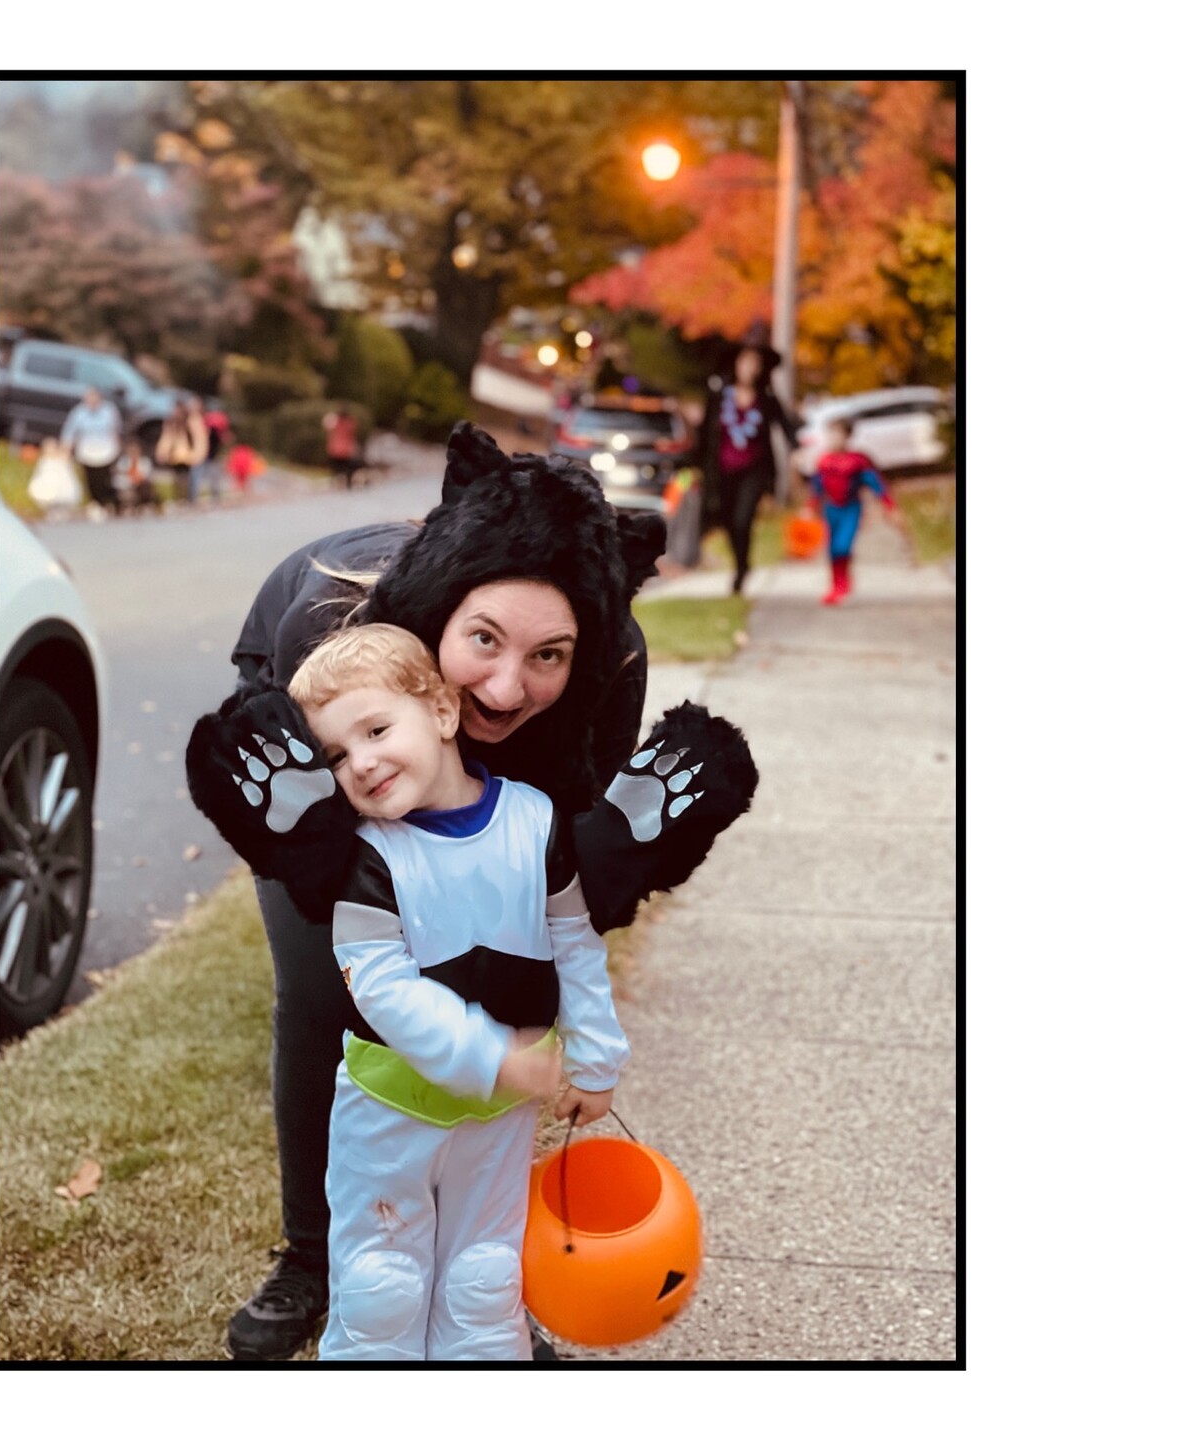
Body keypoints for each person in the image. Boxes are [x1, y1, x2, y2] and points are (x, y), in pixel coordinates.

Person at [186, 422, 760, 1362]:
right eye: (485, 640)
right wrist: (329, 840)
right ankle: (315, 1259)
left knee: (494, 955)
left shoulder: (608, 660)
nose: (505, 684)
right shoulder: (335, 629)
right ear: (446, 615)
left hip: (472, 730)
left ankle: (476, 1277)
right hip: (327, 709)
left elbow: (554, 882)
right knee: (328, 984)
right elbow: (329, 847)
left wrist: (593, 893)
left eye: (548, 655)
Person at [282, 623, 629, 1360]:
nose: (362, 763)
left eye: (376, 729)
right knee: (383, 1288)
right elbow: (380, 985)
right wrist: (488, 1055)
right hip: (388, 1111)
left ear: (441, 712)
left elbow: (573, 940)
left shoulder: (534, 822)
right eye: (338, 755)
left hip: (497, 1118)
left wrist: (596, 1058)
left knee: (484, 1279)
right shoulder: (366, 854)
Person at [696, 331, 800, 596]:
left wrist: (797, 450)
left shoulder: (765, 397)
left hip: (754, 469)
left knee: (743, 520)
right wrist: (691, 464)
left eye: (755, 363)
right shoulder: (719, 394)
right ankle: (741, 564)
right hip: (722, 470)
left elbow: (786, 426)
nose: (750, 368)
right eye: (745, 362)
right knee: (729, 522)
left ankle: (742, 571)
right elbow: (705, 432)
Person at [805, 416, 908, 605]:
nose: (833, 439)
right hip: (831, 508)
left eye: (838, 435)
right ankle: (836, 584)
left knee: (843, 545)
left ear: (847, 437)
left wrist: (889, 505)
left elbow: (876, 484)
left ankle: (843, 583)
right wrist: (810, 507)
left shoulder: (857, 461)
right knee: (832, 549)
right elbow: (817, 487)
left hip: (851, 508)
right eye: (830, 435)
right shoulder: (823, 460)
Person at [60, 387, 124, 515]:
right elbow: (69, 433)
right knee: (91, 479)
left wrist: (119, 449)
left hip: (106, 450)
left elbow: (116, 430)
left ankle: (109, 502)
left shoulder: (109, 410)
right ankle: (95, 502)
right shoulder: (78, 412)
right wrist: (66, 450)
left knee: (106, 478)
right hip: (87, 451)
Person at [155, 400, 208, 504]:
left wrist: (198, 454)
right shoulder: (171, 423)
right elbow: (166, 439)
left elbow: (199, 439)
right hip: (177, 456)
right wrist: (162, 452)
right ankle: (181, 499)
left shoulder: (192, 422)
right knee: (178, 480)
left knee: (190, 480)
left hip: (190, 456)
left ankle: (190, 500)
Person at [113, 437, 159, 516]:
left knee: (145, 487)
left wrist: (137, 479)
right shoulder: (123, 462)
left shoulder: (145, 461)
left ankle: (144, 506)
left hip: (141, 486)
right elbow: (118, 477)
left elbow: (147, 475)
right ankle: (126, 507)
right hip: (126, 486)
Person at [322, 405, 361, 489]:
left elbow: (326, 424)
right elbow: (353, 435)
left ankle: (335, 484)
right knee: (347, 469)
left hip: (335, 449)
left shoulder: (335, 423)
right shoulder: (350, 423)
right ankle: (348, 485)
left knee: (336, 469)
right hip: (346, 450)